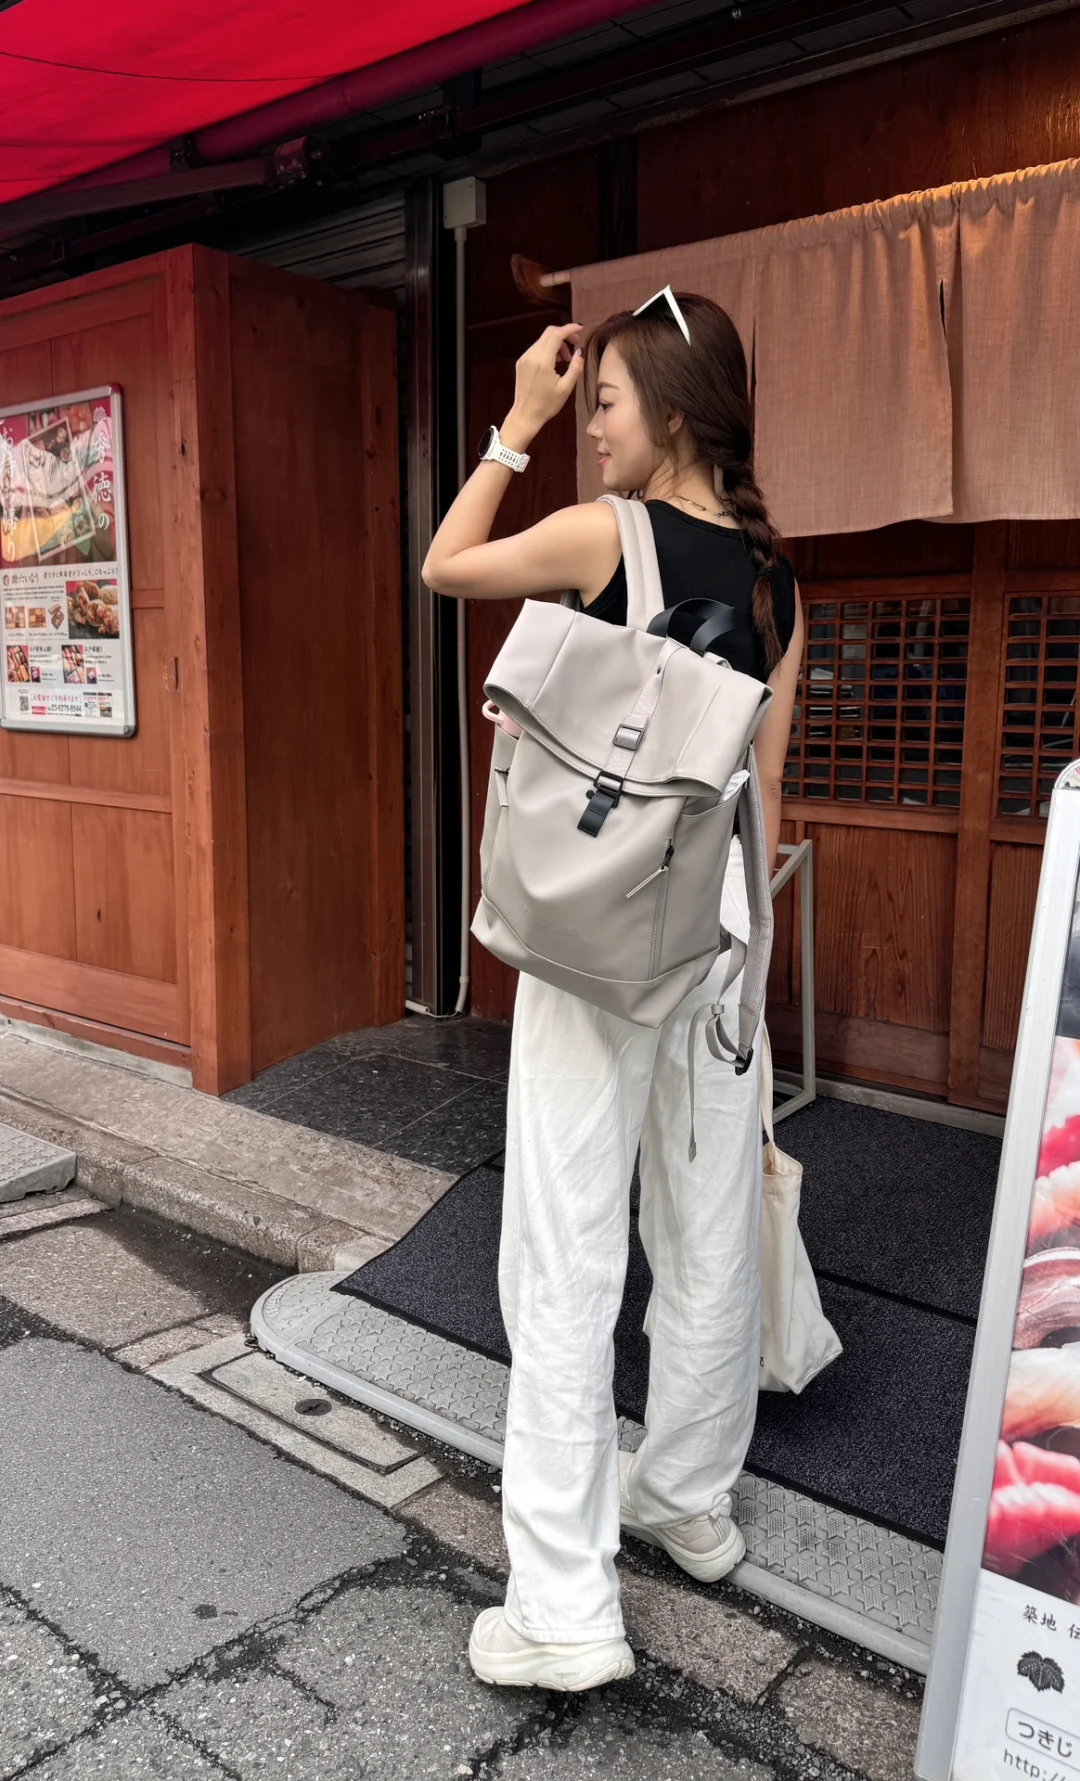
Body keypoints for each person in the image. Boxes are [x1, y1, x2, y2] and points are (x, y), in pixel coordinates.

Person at [422, 292, 804, 1692]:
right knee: (705, 1221)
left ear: (674, 413)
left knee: (567, 1242)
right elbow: (763, 781)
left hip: (602, 922)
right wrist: (749, 953)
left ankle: (565, 1605)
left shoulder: (605, 537)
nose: (591, 424)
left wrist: (512, 424)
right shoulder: (776, 581)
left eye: (606, 402)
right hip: (721, 923)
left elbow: (445, 564)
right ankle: (688, 1498)